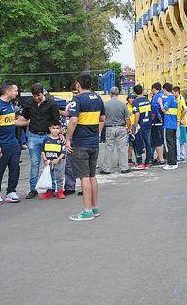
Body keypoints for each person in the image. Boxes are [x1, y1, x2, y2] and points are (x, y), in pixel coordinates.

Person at [66, 72, 105, 221]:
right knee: (92, 176)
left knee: (84, 177)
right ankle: (94, 207)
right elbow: (102, 118)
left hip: (81, 143)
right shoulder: (98, 98)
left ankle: (87, 211)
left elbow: (73, 120)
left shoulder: (77, 99)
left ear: (78, 84)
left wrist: (68, 139)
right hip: (94, 142)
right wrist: (97, 132)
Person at [0, 81, 28, 204]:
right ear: (8, 91)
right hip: (1, 144)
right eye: (15, 90)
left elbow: (12, 122)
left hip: (13, 144)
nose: (17, 93)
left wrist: (28, 122)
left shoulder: (10, 105)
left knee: (15, 168)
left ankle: (11, 191)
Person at [21, 83, 61, 199]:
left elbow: (56, 120)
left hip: (47, 136)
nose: (36, 98)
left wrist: (59, 134)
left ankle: (51, 188)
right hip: (33, 135)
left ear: (42, 93)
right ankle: (33, 189)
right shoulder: (28, 103)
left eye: (38, 95)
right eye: (34, 96)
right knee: (34, 163)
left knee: (50, 162)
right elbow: (25, 117)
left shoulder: (52, 103)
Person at [102, 86, 131, 175]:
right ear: (118, 94)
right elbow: (127, 119)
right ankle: (124, 167)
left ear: (110, 94)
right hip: (121, 127)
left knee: (108, 149)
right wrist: (129, 128)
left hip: (109, 127)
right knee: (122, 148)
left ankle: (106, 169)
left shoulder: (106, 105)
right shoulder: (123, 104)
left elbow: (102, 118)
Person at [38, 121, 67, 199]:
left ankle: (60, 192)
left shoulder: (62, 140)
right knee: (49, 176)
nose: (55, 130)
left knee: (59, 177)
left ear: (60, 129)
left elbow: (64, 151)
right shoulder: (46, 139)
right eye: (53, 128)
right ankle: (49, 192)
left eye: (57, 128)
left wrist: (58, 159)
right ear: (49, 129)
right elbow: (42, 150)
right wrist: (45, 160)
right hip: (48, 162)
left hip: (59, 161)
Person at [132, 85, 153, 170]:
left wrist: (135, 125)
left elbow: (137, 114)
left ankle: (140, 162)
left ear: (134, 92)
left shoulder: (136, 101)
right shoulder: (147, 99)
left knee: (137, 143)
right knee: (148, 143)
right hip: (148, 123)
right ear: (142, 90)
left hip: (140, 125)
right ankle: (147, 162)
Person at [160, 86, 180, 170]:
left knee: (168, 145)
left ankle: (170, 163)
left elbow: (164, 110)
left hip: (168, 125)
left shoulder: (170, 98)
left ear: (165, 90)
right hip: (173, 125)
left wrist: (160, 102)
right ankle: (174, 162)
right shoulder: (175, 99)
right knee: (173, 144)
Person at [147, 82, 165, 168]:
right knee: (162, 140)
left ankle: (160, 159)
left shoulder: (156, 97)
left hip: (156, 122)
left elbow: (154, 109)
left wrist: (154, 118)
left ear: (154, 89)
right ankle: (160, 158)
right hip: (166, 122)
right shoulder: (165, 95)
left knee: (156, 141)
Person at [177, 94, 187, 162]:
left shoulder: (180, 99)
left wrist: (180, 119)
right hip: (184, 124)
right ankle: (182, 156)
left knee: (179, 141)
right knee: (181, 141)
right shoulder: (181, 98)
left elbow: (185, 109)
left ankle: (179, 157)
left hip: (182, 124)